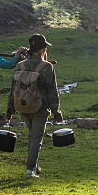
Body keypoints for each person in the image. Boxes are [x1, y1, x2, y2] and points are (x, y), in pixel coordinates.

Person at [9, 33, 64, 178]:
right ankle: (29, 170)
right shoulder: (47, 67)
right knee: (36, 139)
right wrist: (57, 112)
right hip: (40, 108)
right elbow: (52, 91)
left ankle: (33, 165)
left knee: (32, 135)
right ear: (42, 49)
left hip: (23, 107)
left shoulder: (20, 65)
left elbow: (13, 90)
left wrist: (9, 111)